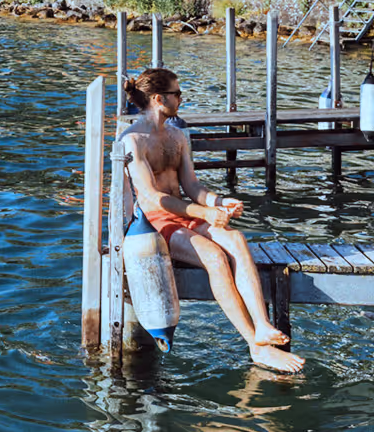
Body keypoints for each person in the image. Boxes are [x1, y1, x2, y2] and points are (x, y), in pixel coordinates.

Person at [117, 68, 306, 373]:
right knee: (216, 257)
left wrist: (219, 202)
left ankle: (261, 325)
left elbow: (192, 186)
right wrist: (204, 213)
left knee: (236, 239)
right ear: (158, 98)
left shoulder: (177, 136)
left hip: (185, 215)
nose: (181, 99)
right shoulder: (133, 140)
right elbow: (151, 198)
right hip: (156, 224)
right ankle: (255, 346)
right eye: (177, 94)